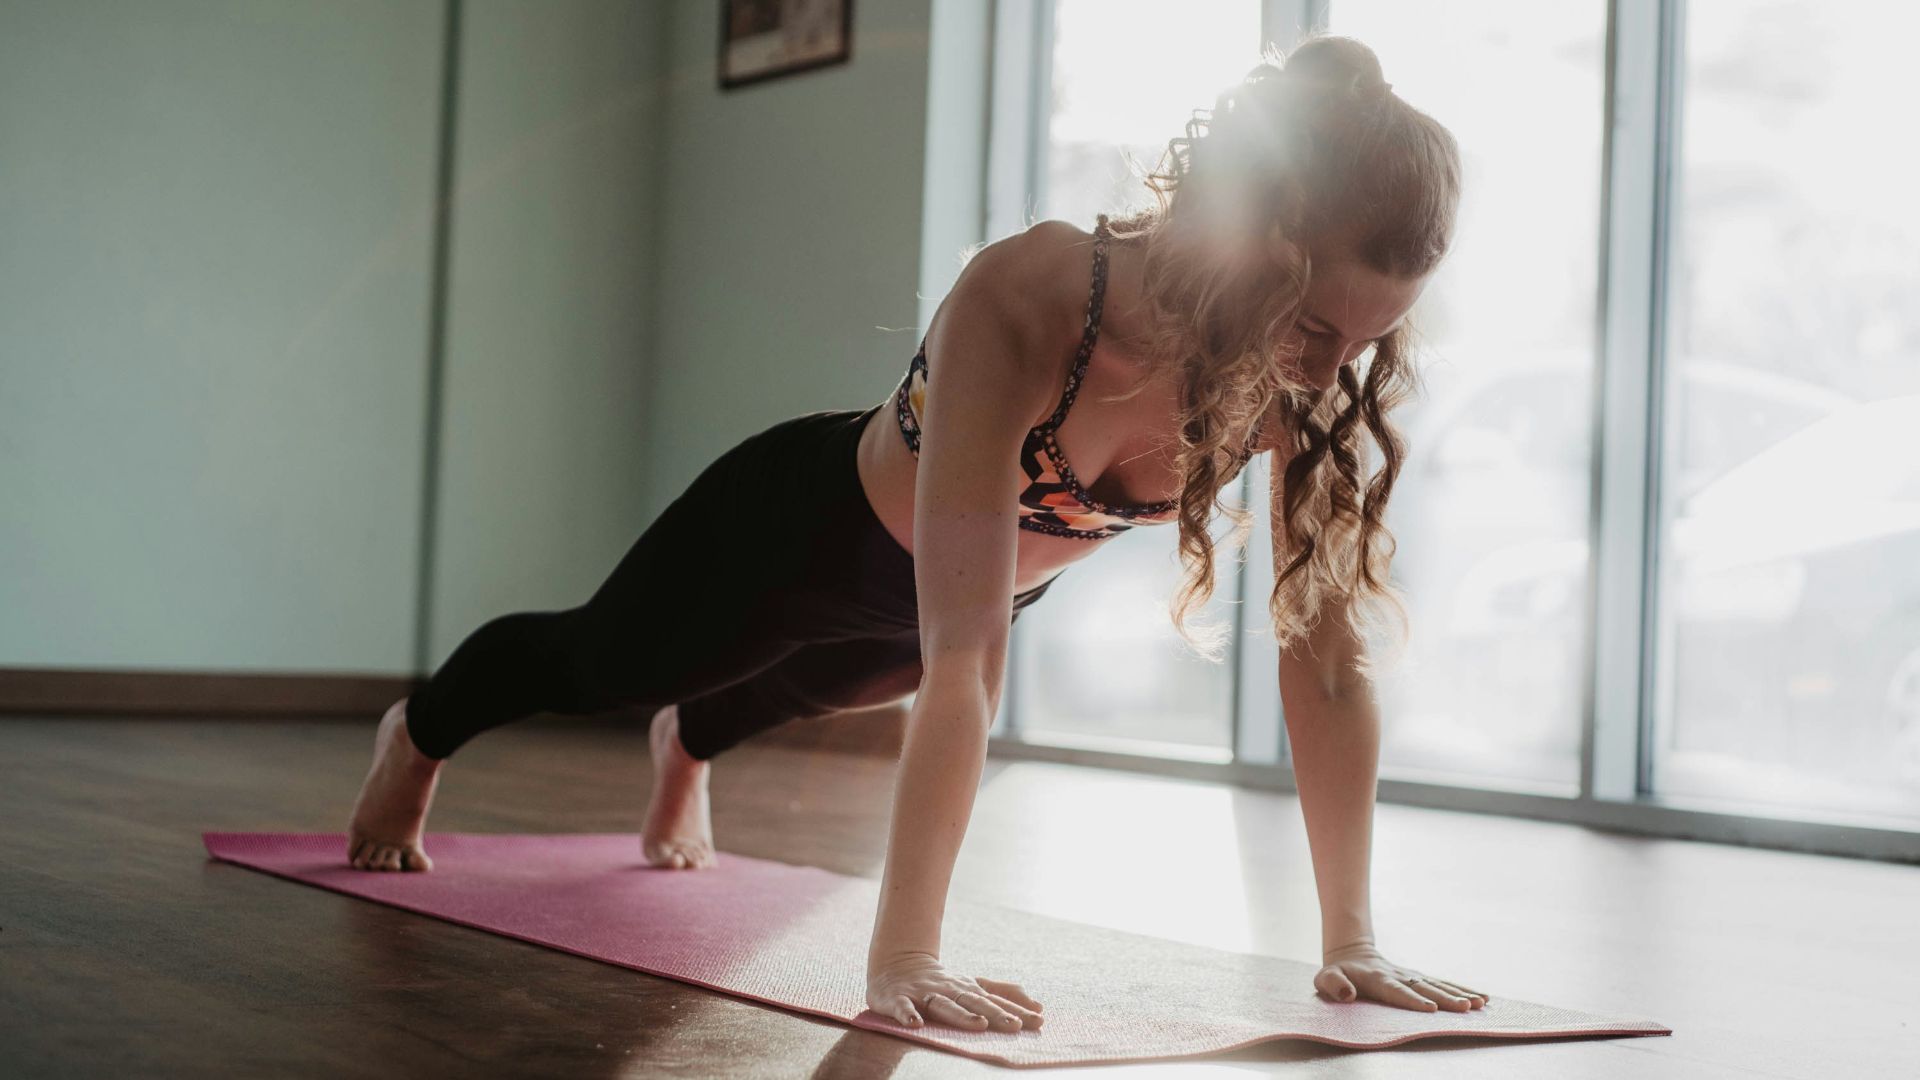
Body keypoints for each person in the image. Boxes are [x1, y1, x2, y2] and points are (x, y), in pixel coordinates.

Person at [344, 35, 1489, 1033]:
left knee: (808, 691)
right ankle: (420, 734)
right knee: (605, 661)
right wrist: (903, 958)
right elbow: (968, 661)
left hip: (919, 610)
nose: (1331, 370)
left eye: (1367, 343)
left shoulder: (1295, 382)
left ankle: (686, 748)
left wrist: (1354, 941)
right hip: (792, 534)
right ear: (1259, 241)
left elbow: (1328, 664)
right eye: (1319, 322)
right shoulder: (1032, 295)